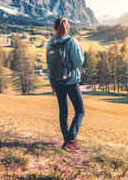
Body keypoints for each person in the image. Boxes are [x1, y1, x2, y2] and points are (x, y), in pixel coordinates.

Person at [46, 17, 85, 153]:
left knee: (64, 111)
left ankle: (67, 139)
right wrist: (81, 50)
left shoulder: (51, 43)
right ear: (67, 28)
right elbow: (78, 63)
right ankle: (69, 141)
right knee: (80, 111)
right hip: (71, 82)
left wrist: (52, 85)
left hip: (57, 82)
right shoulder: (72, 42)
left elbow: (49, 66)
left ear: (54, 28)